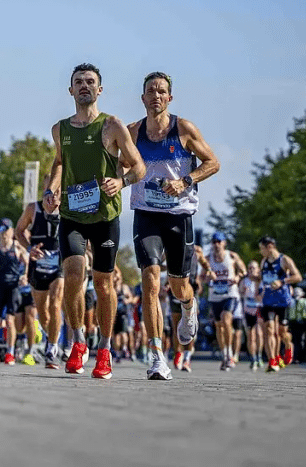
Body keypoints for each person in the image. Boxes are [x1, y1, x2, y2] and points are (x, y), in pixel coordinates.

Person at [43, 63, 146, 379]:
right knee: (73, 272)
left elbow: (138, 166)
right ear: (70, 90)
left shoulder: (112, 126)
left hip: (105, 215)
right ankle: (77, 341)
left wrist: (122, 182)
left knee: (103, 283)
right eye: (79, 82)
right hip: (72, 213)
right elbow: (59, 163)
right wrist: (51, 189)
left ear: (100, 90)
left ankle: (104, 349)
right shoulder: (60, 129)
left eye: (90, 82)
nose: (84, 86)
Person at [127, 71, 221, 381]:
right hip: (146, 213)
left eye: (161, 91)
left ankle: (189, 305)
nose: (156, 95)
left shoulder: (184, 129)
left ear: (170, 98)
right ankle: (157, 356)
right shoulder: (132, 132)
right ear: (143, 98)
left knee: (179, 284)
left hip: (179, 215)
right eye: (150, 91)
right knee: (151, 280)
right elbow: (117, 167)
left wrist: (186, 180)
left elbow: (212, 163)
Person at [17, 180, 64, 369]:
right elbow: (19, 231)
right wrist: (29, 248)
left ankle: (51, 350)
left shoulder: (68, 209)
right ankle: (51, 338)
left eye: (57, 190)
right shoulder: (32, 209)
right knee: (43, 312)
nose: (52, 194)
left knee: (55, 304)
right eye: (49, 190)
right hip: (37, 264)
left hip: (59, 264)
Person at [199, 232, 246, 371]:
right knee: (219, 326)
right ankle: (225, 354)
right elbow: (201, 277)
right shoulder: (208, 259)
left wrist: (237, 277)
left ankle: (230, 355)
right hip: (215, 296)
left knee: (226, 321)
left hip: (230, 294)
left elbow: (243, 271)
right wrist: (206, 278)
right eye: (214, 242)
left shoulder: (232, 256)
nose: (216, 244)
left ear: (224, 243)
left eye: (219, 241)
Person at [0, 218, 27, 365]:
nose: (3, 233)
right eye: (0, 229)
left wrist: (24, 276)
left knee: (9, 320)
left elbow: (28, 263)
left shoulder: (17, 246)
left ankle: (10, 352)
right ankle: (4, 344)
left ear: (12, 230)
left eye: (6, 229)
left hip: (13, 286)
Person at [258, 236, 302, 372]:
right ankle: (272, 361)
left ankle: (288, 346)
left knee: (282, 332)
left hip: (282, 300)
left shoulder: (284, 260)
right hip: (268, 300)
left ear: (270, 246)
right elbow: (262, 279)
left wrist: (282, 282)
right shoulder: (264, 261)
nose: (261, 252)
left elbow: (298, 276)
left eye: (262, 248)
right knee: (269, 329)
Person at [239, 261, 264, 369]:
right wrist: (242, 291)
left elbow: (265, 292)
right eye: (249, 268)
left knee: (259, 333)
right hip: (248, 309)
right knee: (251, 335)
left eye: (253, 268)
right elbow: (239, 292)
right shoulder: (245, 281)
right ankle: (253, 358)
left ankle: (259, 356)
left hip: (259, 308)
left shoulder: (261, 280)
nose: (251, 270)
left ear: (258, 269)